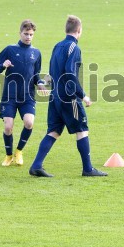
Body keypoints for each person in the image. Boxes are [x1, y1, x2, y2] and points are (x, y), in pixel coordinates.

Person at [29, 15, 107, 177]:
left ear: (66, 29)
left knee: (54, 131)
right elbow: (70, 74)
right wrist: (83, 95)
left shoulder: (57, 46)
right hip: (69, 97)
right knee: (82, 130)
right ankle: (88, 169)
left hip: (55, 97)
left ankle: (36, 165)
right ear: (79, 30)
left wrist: (45, 82)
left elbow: (52, 72)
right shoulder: (74, 48)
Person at [0, 19, 47, 166]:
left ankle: (19, 151)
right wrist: (3, 66)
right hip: (9, 96)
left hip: (27, 96)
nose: (28, 37)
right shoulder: (10, 50)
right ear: (20, 33)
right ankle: (8, 155)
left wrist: (41, 83)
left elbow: (36, 74)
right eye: (26, 34)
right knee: (8, 127)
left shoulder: (36, 53)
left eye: (31, 34)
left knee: (29, 123)